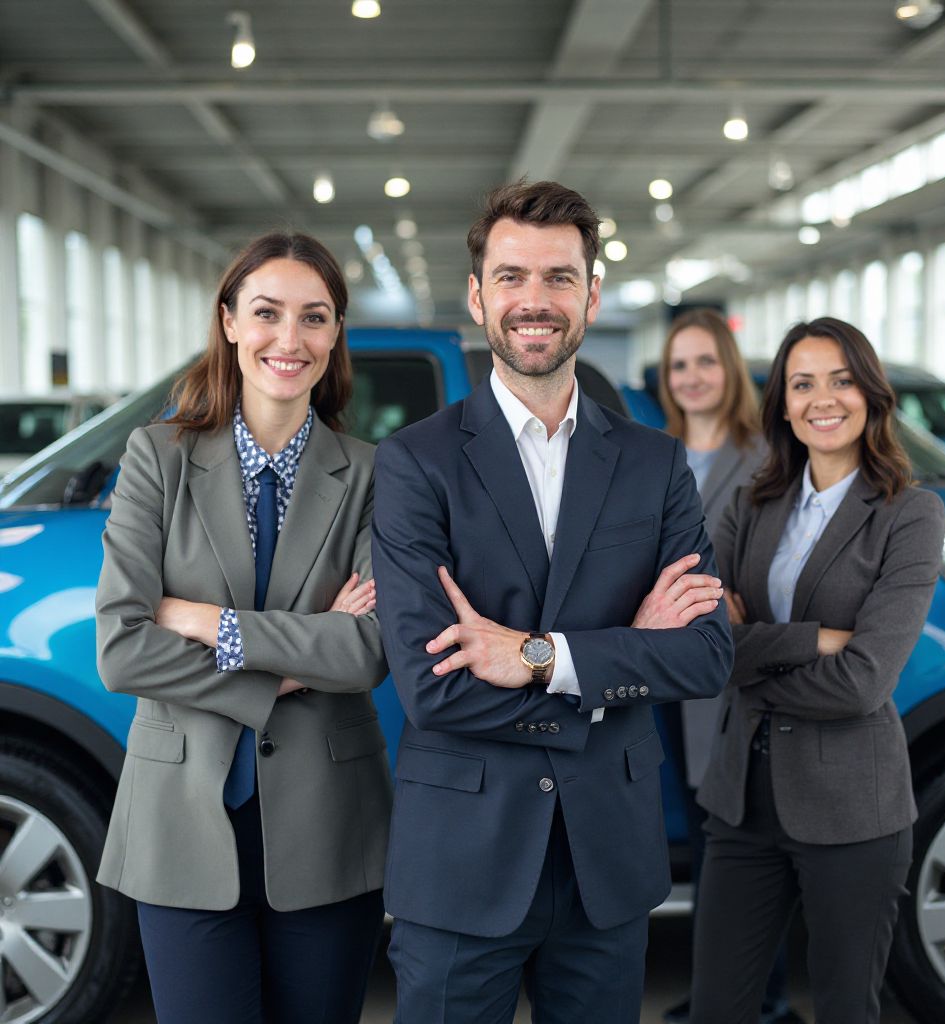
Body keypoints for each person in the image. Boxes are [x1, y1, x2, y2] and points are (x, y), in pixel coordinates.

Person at [371, 179, 733, 1024]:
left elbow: (705, 654)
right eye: (511, 276)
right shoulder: (415, 463)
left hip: (607, 861)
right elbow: (432, 687)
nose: (534, 300)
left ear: (591, 296)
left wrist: (539, 656)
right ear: (477, 297)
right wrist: (616, 663)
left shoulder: (654, 462)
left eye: (559, 277)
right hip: (462, 860)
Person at [95, 232, 391, 1024]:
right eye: (266, 312)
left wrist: (205, 621)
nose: (289, 339)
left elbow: (366, 649)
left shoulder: (372, 473)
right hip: (180, 822)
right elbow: (122, 651)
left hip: (330, 825)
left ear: (335, 333)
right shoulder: (157, 459)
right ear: (229, 321)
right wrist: (292, 665)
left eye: (314, 317)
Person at [689, 317, 944, 1024]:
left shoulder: (910, 515)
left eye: (841, 380)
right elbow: (701, 647)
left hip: (852, 808)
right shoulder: (750, 504)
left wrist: (751, 647)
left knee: (843, 1011)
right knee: (715, 1010)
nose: (822, 399)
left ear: (870, 394)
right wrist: (815, 639)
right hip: (740, 800)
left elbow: (864, 681)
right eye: (802, 384)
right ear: (782, 404)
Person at [654, 310, 800, 1024]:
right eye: (679, 366)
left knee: (743, 842)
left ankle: (762, 999)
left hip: (735, 674)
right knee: (706, 835)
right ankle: (721, 997)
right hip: (666, 675)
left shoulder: (767, 457)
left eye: (705, 362)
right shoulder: (657, 454)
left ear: (730, 369)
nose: (692, 378)